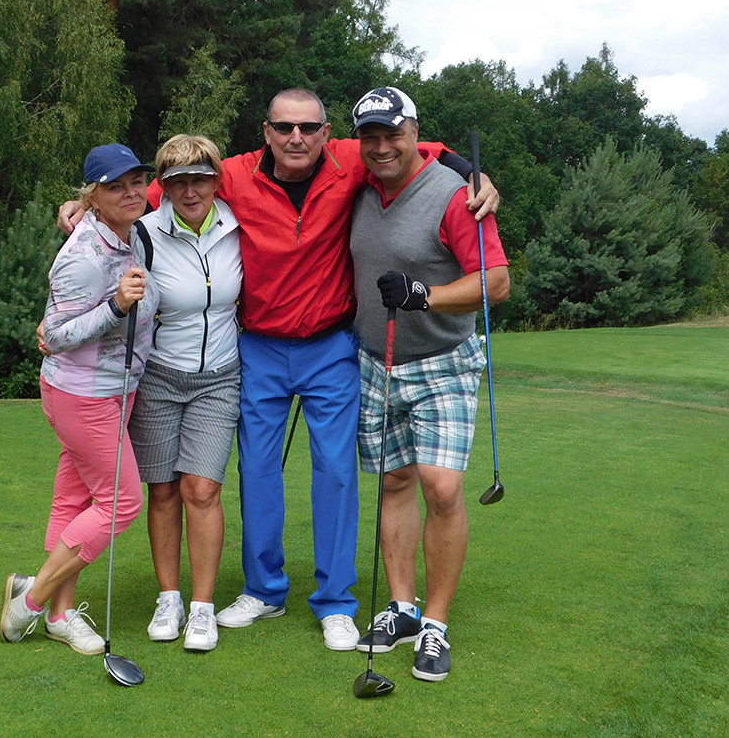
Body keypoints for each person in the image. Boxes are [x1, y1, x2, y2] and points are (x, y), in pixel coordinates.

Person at [60, 89, 500, 651]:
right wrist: (88, 206)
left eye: (308, 128)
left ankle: (335, 601)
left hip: (330, 345)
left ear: (326, 132)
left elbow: (417, 148)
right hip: (260, 348)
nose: (297, 137)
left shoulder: (349, 160)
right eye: (284, 127)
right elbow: (167, 187)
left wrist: (471, 173)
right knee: (258, 471)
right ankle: (264, 589)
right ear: (266, 132)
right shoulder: (233, 175)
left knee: (336, 472)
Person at [348, 86, 510, 682]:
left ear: (414, 132)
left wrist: (424, 295)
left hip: (443, 359)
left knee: (441, 489)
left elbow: (496, 282)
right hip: (376, 360)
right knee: (394, 483)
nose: (382, 147)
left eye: (393, 134)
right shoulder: (359, 183)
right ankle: (401, 608)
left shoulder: (452, 195)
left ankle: (435, 624)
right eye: (370, 136)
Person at [0, 143, 160, 653]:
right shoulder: (83, 257)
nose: (131, 192)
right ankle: (32, 599)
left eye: (137, 181)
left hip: (115, 389)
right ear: (93, 196)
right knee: (121, 502)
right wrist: (115, 306)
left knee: (74, 501)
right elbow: (55, 334)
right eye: (116, 186)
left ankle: (60, 615)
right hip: (82, 393)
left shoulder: (131, 231)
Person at [128, 135, 243, 653]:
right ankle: (168, 597)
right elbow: (95, 262)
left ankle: (201, 607)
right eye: (177, 182)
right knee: (163, 490)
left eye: (199, 179)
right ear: (164, 186)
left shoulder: (237, 226)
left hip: (219, 376)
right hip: (158, 375)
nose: (190, 191)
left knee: (202, 489)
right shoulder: (143, 232)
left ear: (216, 181)